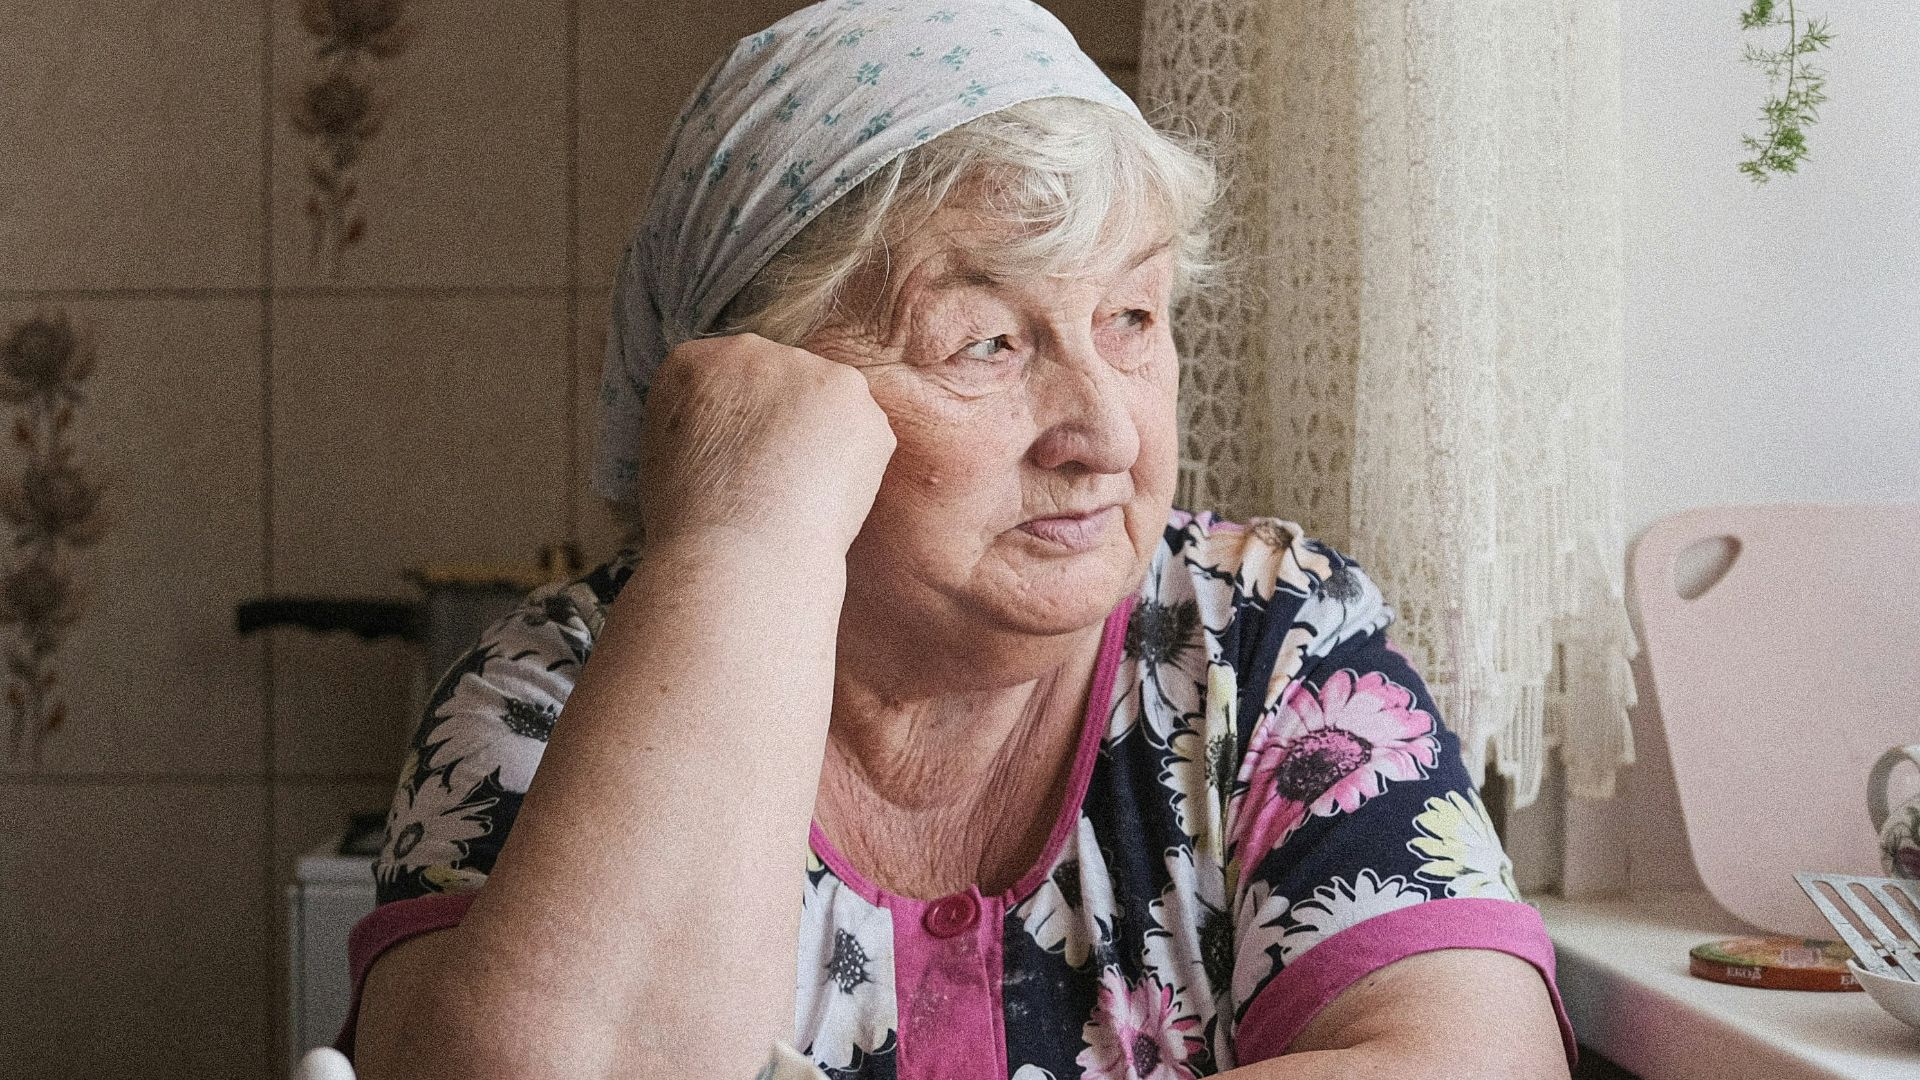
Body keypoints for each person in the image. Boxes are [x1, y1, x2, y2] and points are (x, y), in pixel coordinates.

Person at [341, 2, 1576, 1078]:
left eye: (1134, 316)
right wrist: (740, 549)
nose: (1104, 429)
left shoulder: (1260, 638)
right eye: (986, 340)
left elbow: (1474, 1058)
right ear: (759, 389)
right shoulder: (550, 695)